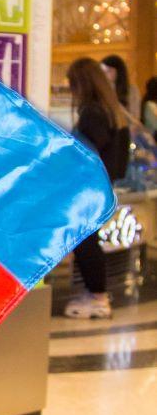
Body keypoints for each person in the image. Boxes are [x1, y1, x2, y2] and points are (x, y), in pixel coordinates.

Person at [65, 57, 130, 319]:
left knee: (85, 241)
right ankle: (96, 294)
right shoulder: (112, 111)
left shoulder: (93, 113)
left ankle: (98, 297)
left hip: (89, 188)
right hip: (102, 187)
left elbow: (86, 152)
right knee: (87, 240)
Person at [100, 54, 140, 121]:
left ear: (118, 71)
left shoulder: (132, 90)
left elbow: (135, 117)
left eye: (108, 71)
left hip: (127, 128)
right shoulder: (102, 90)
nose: (104, 75)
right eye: (102, 72)